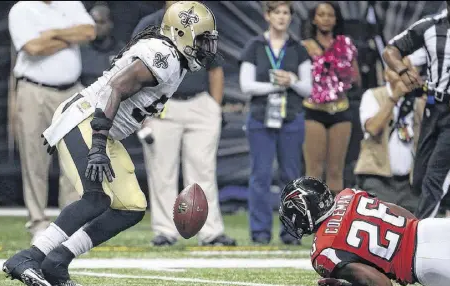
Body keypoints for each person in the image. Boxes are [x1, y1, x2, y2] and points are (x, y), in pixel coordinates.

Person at [2, 1, 218, 286]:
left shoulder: (173, 60)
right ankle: (27, 257)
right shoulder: (163, 54)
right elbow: (116, 88)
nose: (207, 47)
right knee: (96, 198)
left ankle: (57, 261)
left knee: (131, 207)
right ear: (182, 33)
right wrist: (98, 145)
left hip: (100, 126)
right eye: (203, 39)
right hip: (87, 120)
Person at [133, 1, 236, 247]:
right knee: (162, 171)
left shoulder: (202, 21)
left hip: (200, 103)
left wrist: (214, 106)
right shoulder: (151, 23)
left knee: (204, 171)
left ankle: (210, 232)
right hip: (162, 104)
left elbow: (215, 68)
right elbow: (133, 69)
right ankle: (165, 231)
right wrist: (143, 109)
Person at [279, 176, 450, 286]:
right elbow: (400, 212)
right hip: (431, 228)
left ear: (307, 211)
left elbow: (383, 285)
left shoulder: (324, 252)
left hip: (427, 263)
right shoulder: (348, 194)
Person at [8, 0, 95, 242]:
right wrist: (71, 35)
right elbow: (33, 48)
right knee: (35, 159)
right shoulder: (22, 9)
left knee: (75, 158)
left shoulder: (70, 3)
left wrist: (54, 34)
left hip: (71, 91)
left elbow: (89, 31)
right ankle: (38, 222)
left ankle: (70, 222)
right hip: (35, 90)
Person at [382, 1, 450, 219]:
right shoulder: (430, 26)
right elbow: (391, 50)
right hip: (432, 107)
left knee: (435, 176)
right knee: (419, 179)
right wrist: (402, 70)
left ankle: (420, 232)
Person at [239, 1, 312, 245]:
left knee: (290, 177)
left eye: (286, 13)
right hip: (261, 118)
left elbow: (307, 89)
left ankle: (291, 232)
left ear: (291, 17)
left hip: (291, 118)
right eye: (277, 12)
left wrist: (291, 80)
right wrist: (275, 85)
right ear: (267, 16)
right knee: (259, 176)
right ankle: (259, 232)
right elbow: (246, 85)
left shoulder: (298, 48)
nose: (282, 17)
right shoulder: (255, 46)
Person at [300, 2, 361, 196]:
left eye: (330, 15)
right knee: (314, 172)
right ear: (314, 19)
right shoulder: (304, 46)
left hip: (340, 110)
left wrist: (340, 66)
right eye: (321, 15)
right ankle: (313, 222)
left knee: (336, 171)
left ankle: (335, 222)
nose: (326, 19)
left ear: (336, 19)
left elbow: (356, 78)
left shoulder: (346, 44)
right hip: (313, 110)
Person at [354, 50, 426, 213]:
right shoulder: (373, 95)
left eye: (409, 71)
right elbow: (373, 128)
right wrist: (394, 97)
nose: (405, 76)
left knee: (413, 232)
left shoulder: (417, 101)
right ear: (388, 74)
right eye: (400, 71)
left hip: (409, 183)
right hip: (377, 179)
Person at [80, 2, 126, 87]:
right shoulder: (80, 49)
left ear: (111, 24)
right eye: (93, 22)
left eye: (101, 22)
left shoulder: (122, 51)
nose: (96, 26)